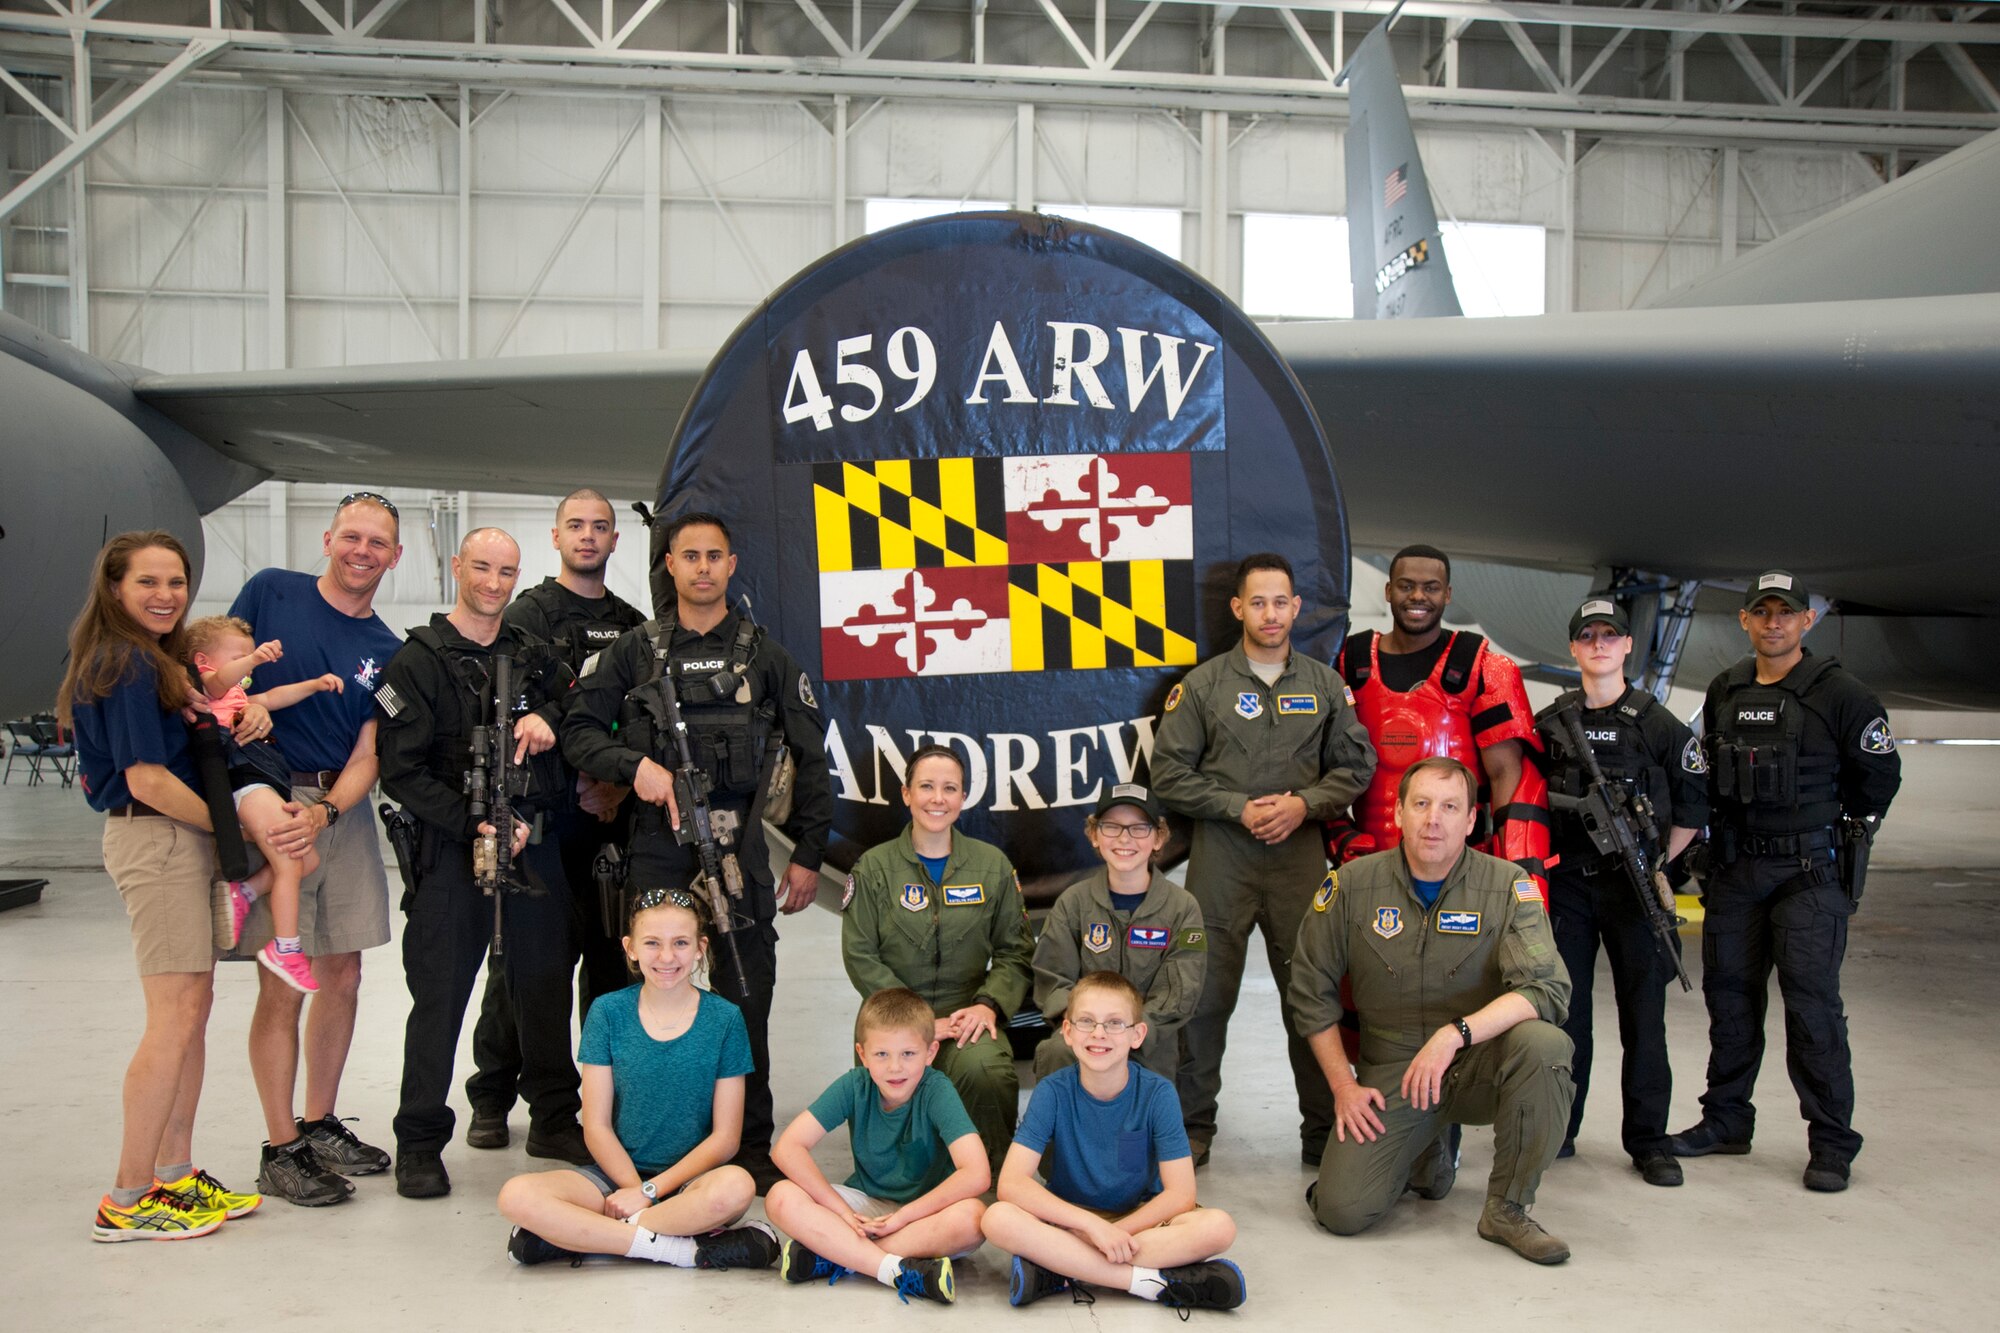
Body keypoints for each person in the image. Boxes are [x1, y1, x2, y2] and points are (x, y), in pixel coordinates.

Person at [562, 511, 832, 1189]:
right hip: (657, 848)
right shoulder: (634, 651)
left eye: (716, 555)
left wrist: (808, 852)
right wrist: (636, 767)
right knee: (644, 993)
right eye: (691, 556)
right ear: (671, 566)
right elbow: (579, 733)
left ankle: (751, 1144)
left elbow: (812, 757)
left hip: (739, 847)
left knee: (747, 993)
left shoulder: (765, 655)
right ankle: (638, 1142)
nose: (704, 567)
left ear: (731, 564)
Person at [1669, 571, 1902, 1194]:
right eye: (1762, 613)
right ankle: (1726, 1122)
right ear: (1744, 621)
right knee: (1731, 1001)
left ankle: (1830, 1143)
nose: (1774, 623)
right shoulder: (1725, 689)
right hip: (1737, 871)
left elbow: (1878, 778)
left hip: (1810, 875)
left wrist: (1832, 833)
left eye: (1786, 613)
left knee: (1812, 1009)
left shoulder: (1842, 694)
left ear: (1807, 621)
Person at [1291, 757, 1575, 1265]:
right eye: (1420, 804)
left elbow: (1546, 989)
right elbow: (1310, 991)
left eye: (1449, 807)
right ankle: (1428, 1151)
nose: (1433, 819)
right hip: (1395, 1069)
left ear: (1471, 820)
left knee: (1546, 1044)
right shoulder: (1352, 886)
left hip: (1478, 1062)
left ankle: (1508, 1208)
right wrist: (1343, 1087)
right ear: (1397, 813)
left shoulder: (1507, 887)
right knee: (1342, 1211)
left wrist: (1455, 1035)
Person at [373, 527, 588, 1198]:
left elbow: (583, 698)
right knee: (439, 996)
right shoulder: (419, 660)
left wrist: (549, 715)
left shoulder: (533, 654)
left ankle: (554, 1118)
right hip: (452, 851)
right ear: (459, 566)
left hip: (534, 842)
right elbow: (400, 770)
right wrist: (476, 822)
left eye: (507, 571)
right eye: (483, 567)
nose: (494, 582)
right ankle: (419, 1141)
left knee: (546, 982)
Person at [60, 531, 261, 1239]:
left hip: (177, 835)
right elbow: (146, 777)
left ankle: (174, 1172)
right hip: (157, 835)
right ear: (115, 587)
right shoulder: (123, 661)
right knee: (172, 1015)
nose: (165, 594)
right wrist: (228, 829)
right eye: (147, 581)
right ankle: (127, 1193)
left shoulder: (151, 660)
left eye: (175, 582)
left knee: (192, 1009)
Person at [1149, 551, 1375, 1168]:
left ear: (1297, 608)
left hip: (1298, 859)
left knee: (1310, 994)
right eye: (1258, 602)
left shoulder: (1325, 685)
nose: (1270, 614)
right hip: (1222, 858)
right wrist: (1235, 806)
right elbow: (1169, 773)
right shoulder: (1203, 685)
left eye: (1281, 602)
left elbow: (1356, 768)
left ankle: (1322, 1130)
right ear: (1238, 609)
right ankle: (1192, 1130)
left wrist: (1304, 804)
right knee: (1204, 998)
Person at [228, 491, 405, 1206]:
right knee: (285, 975)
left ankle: (320, 1119)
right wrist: (243, 706)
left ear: (394, 557)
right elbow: (215, 668)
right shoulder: (272, 591)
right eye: (352, 536)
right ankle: (280, 1145)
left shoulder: (389, 650)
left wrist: (330, 809)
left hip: (340, 808)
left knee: (344, 972)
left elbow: (371, 752)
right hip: (268, 796)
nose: (362, 550)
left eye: (378, 543)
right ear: (329, 537)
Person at [465, 488, 647, 1151]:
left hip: (609, 819)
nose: (589, 536)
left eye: (601, 526)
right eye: (577, 525)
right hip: (548, 815)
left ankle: (597, 1100)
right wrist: (577, 784)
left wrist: (614, 788)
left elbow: (638, 716)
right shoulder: (528, 615)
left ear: (614, 540)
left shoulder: (632, 623)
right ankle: (491, 1092)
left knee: (606, 963)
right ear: (556, 535)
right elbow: (522, 711)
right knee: (521, 965)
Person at [497, 887, 779, 1271]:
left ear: (700, 947)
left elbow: (726, 1139)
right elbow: (595, 1125)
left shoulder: (724, 1019)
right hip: (614, 1177)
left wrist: (650, 1191)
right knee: (516, 1195)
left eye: (680, 943)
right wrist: (632, 1189)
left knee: (736, 1187)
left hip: (689, 1182)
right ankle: (682, 1249)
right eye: (652, 943)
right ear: (630, 948)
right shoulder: (608, 1012)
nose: (666, 957)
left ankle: (585, 1238)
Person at [1533, 598, 1706, 1187]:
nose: (1600, 645)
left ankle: (1649, 1141)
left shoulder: (1657, 722)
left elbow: (1693, 803)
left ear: (1628, 644)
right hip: (1569, 888)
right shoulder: (1553, 721)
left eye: (1611, 635)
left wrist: (1657, 862)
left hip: (1634, 891)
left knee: (1644, 1018)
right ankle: (1562, 1129)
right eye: (1589, 636)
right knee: (1567, 1016)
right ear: (1575, 648)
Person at [981, 972, 1245, 1312]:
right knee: (997, 1218)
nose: (1099, 1033)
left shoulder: (1158, 1094)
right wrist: (1091, 1227)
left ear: (1138, 1035)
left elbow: (1181, 1193)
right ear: (1068, 1032)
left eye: (1115, 1023)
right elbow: (1012, 1183)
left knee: (1218, 1227)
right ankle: (1149, 1284)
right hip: (1071, 1218)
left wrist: (1115, 1232)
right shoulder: (1052, 1091)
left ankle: (1062, 1270)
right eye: (1087, 1021)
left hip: (1138, 1220)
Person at [841, 744, 1031, 1179]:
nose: (937, 798)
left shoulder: (992, 867)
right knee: (893, 1083)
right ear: (906, 794)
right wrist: (919, 1022)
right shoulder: (873, 869)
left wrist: (989, 1005)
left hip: (967, 1013)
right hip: (891, 1017)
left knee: (987, 1071)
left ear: (963, 798)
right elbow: (860, 954)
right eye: (926, 786)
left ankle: (995, 1179)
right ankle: (906, 1180)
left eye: (950, 788)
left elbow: (1015, 950)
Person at [1329, 544, 1549, 889]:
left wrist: (1507, 876)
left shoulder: (1484, 669)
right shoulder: (1346, 663)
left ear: (1447, 595)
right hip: (1368, 866)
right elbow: (1316, 762)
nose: (1418, 596)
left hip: (1461, 869)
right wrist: (1339, 836)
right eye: (1406, 586)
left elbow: (1509, 776)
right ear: (1388, 591)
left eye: (1431, 587)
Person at [765, 987, 985, 1304]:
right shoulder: (854, 1085)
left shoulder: (937, 1090)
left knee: (974, 1218)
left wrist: (905, 1216)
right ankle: (892, 1269)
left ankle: (836, 1253)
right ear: (863, 1053)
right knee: (780, 1197)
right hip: (866, 1207)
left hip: (924, 1214)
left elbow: (976, 1174)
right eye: (882, 1054)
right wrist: (840, 1211)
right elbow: (787, 1148)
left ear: (931, 1052)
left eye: (908, 1054)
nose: (895, 1067)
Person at [186, 615, 348, 992]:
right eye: (238, 657)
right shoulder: (210, 690)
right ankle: (286, 947)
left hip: (264, 779)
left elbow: (275, 697)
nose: (247, 664)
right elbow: (221, 679)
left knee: (308, 859)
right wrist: (255, 659)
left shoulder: (238, 697)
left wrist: (314, 684)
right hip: (245, 781)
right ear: (202, 662)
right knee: (290, 858)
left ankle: (243, 892)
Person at [1030, 784, 1206, 1083]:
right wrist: (1090, 1028)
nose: (1125, 838)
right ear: (1094, 835)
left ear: (1158, 838)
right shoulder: (1073, 903)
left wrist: (1129, 1033)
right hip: (1084, 1038)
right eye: (1111, 827)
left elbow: (1181, 991)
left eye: (1139, 828)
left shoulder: (1182, 908)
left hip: (1147, 1039)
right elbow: (1053, 979)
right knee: (1056, 1050)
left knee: (1147, 1093)